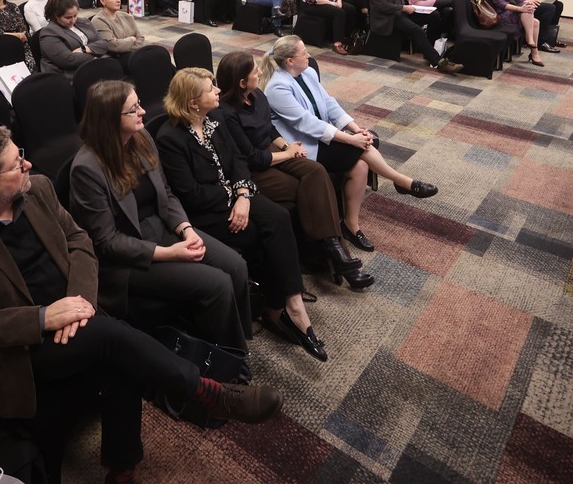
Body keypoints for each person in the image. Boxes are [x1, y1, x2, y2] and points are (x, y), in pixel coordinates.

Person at [0, 126, 283, 484]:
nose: (28, 164)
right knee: (112, 338)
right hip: (20, 349)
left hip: (78, 318)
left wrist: (78, 302)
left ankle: (123, 466)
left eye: (22, 155)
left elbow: (79, 240)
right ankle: (205, 391)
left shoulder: (40, 190)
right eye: (17, 164)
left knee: (115, 357)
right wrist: (45, 318)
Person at [156, 68, 327, 362]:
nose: (218, 92)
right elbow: (191, 194)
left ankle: (291, 303)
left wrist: (244, 196)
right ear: (194, 102)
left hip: (237, 197)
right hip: (206, 213)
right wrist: (233, 198)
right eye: (211, 89)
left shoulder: (214, 121)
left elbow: (237, 161)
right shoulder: (170, 138)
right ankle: (277, 307)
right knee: (264, 234)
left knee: (280, 217)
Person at [69, 80, 251, 347]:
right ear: (109, 119)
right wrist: (170, 253)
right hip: (129, 258)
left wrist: (186, 229)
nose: (143, 112)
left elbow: (166, 193)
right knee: (217, 284)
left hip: (163, 229)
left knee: (236, 266)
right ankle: (229, 364)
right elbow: (107, 243)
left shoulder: (140, 139)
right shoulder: (87, 169)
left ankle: (234, 342)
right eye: (133, 109)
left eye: (139, 104)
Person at [261, 36, 438, 254]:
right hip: (303, 144)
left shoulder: (307, 72)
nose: (309, 56)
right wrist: (351, 139)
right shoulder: (277, 87)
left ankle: (351, 225)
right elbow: (306, 123)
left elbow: (329, 103)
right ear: (289, 61)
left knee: (361, 165)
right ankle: (401, 181)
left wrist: (355, 128)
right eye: (304, 53)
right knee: (359, 149)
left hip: (321, 134)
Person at [215, 52, 372, 290]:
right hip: (252, 168)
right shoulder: (227, 113)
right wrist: (287, 154)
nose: (260, 73)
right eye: (255, 71)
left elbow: (269, 130)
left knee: (316, 172)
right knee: (305, 189)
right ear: (241, 82)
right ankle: (337, 256)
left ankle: (332, 250)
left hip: (272, 151)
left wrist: (286, 146)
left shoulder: (257, 95)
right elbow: (252, 158)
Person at [368, 0, 462, 74]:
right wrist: (403, 7)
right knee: (416, 30)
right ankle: (439, 62)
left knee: (434, 15)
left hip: (400, 12)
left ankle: (429, 52)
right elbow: (381, 6)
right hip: (388, 18)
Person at [486, 0, 543, 66]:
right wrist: (520, 9)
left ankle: (533, 49)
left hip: (508, 12)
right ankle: (532, 47)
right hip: (496, 15)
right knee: (529, 15)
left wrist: (528, 3)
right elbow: (500, 4)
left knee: (535, 20)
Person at [38, 0, 108, 80]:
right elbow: (69, 60)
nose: (73, 20)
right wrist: (97, 56)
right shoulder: (49, 33)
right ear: (55, 16)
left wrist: (85, 49)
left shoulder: (84, 22)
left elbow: (104, 43)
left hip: (90, 69)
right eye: (68, 17)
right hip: (67, 77)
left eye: (75, 15)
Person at [90, 0, 145, 64]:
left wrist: (122, 43)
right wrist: (131, 39)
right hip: (115, 60)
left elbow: (141, 39)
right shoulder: (99, 20)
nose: (118, 0)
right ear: (102, 1)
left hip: (133, 54)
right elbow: (113, 46)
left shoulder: (127, 16)